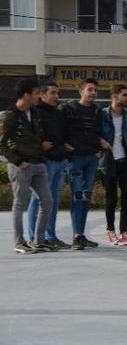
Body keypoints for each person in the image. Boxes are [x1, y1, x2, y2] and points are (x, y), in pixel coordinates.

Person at [1, 79, 55, 254]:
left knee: (47, 201)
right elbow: (1, 144)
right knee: (20, 203)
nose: (39, 96)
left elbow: (35, 136)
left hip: (38, 163)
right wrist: (18, 162)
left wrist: (42, 148)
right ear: (26, 95)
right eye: (37, 93)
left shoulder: (34, 112)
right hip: (21, 166)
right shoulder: (9, 116)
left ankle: (38, 241)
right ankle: (19, 242)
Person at [63, 78, 110, 250]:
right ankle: (76, 236)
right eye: (90, 89)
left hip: (91, 158)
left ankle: (81, 235)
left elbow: (100, 132)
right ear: (81, 91)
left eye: (95, 90)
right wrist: (65, 144)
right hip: (75, 159)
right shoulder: (68, 108)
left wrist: (100, 150)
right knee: (77, 197)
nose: (93, 93)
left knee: (85, 198)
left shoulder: (97, 111)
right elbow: (60, 129)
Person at [26, 82, 71, 249]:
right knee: (38, 200)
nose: (56, 96)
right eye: (52, 93)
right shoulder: (35, 113)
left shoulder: (59, 113)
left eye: (57, 93)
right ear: (42, 95)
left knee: (53, 201)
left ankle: (50, 236)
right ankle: (33, 237)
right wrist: (40, 144)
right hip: (45, 162)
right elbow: (28, 136)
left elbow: (64, 133)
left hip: (60, 161)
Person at [100, 84, 127, 246]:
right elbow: (96, 133)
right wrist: (100, 142)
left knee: (126, 198)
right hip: (110, 160)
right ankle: (110, 231)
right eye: (125, 95)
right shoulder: (102, 115)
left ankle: (124, 232)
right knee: (111, 198)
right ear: (114, 96)